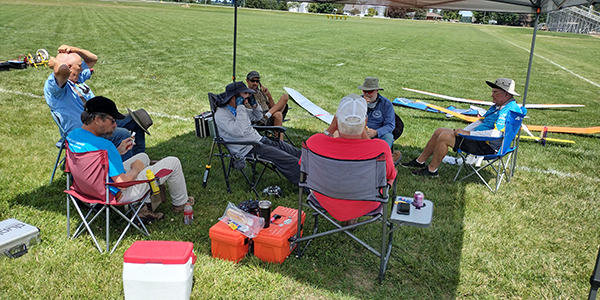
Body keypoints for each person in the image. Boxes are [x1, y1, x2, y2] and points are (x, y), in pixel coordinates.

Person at [66, 96, 194, 224]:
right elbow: (122, 183)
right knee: (173, 162)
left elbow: (92, 162)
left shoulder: (72, 136)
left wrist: (118, 151)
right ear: (98, 119)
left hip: (85, 190)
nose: (115, 125)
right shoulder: (105, 147)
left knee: (142, 157)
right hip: (112, 193)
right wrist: (135, 170)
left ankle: (144, 208)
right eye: (112, 121)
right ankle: (181, 204)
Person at [402, 77, 523, 177]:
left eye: (495, 93)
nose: (492, 95)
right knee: (439, 131)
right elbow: (480, 122)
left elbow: (495, 134)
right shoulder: (499, 105)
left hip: (486, 145)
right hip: (478, 139)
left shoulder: (508, 110)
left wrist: (467, 134)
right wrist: (464, 131)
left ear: (506, 94)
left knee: (444, 137)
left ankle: (431, 171)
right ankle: (420, 162)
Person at [306, 94, 397, 225]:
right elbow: (389, 176)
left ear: (336, 121)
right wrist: (363, 133)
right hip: (367, 202)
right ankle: (354, 213)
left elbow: (305, 170)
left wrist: (331, 129)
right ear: (365, 122)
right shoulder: (380, 148)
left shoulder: (314, 142)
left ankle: (349, 212)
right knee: (392, 174)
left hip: (324, 198)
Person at [44, 45, 147, 161]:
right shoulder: (56, 87)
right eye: (79, 66)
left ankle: (138, 159)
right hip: (84, 132)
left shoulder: (77, 78)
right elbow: (62, 70)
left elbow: (93, 59)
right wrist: (55, 63)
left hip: (101, 121)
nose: (81, 68)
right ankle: (123, 171)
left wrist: (74, 49)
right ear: (69, 68)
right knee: (122, 134)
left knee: (137, 120)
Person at [214, 81, 301, 186]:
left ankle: (317, 171)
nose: (248, 98)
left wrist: (254, 105)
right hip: (248, 148)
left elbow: (258, 117)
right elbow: (239, 131)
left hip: (259, 140)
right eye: (245, 96)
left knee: (295, 152)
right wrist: (241, 107)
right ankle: (309, 184)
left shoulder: (239, 109)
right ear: (234, 98)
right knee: (288, 159)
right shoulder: (221, 115)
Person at [358, 77, 402, 164]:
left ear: (377, 91)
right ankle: (386, 159)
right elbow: (351, 120)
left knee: (388, 137)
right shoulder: (358, 102)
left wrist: (376, 132)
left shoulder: (386, 104)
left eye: (370, 91)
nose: (367, 94)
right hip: (359, 131)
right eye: (364, 91)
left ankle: (380, 158)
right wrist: (362, 107)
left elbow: (390, 125)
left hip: (378, 133)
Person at [245, 71, 289, 137]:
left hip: (268, 116)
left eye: (257, 81)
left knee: (285, 97)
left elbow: (273, 107)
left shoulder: (261, 93)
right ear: (247, 81)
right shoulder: (246, 94)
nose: (255, 83)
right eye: (253, 81)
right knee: (278, 114)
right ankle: (281, 143)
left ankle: (267, 116)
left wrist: (268, 95)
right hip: (258, 120)